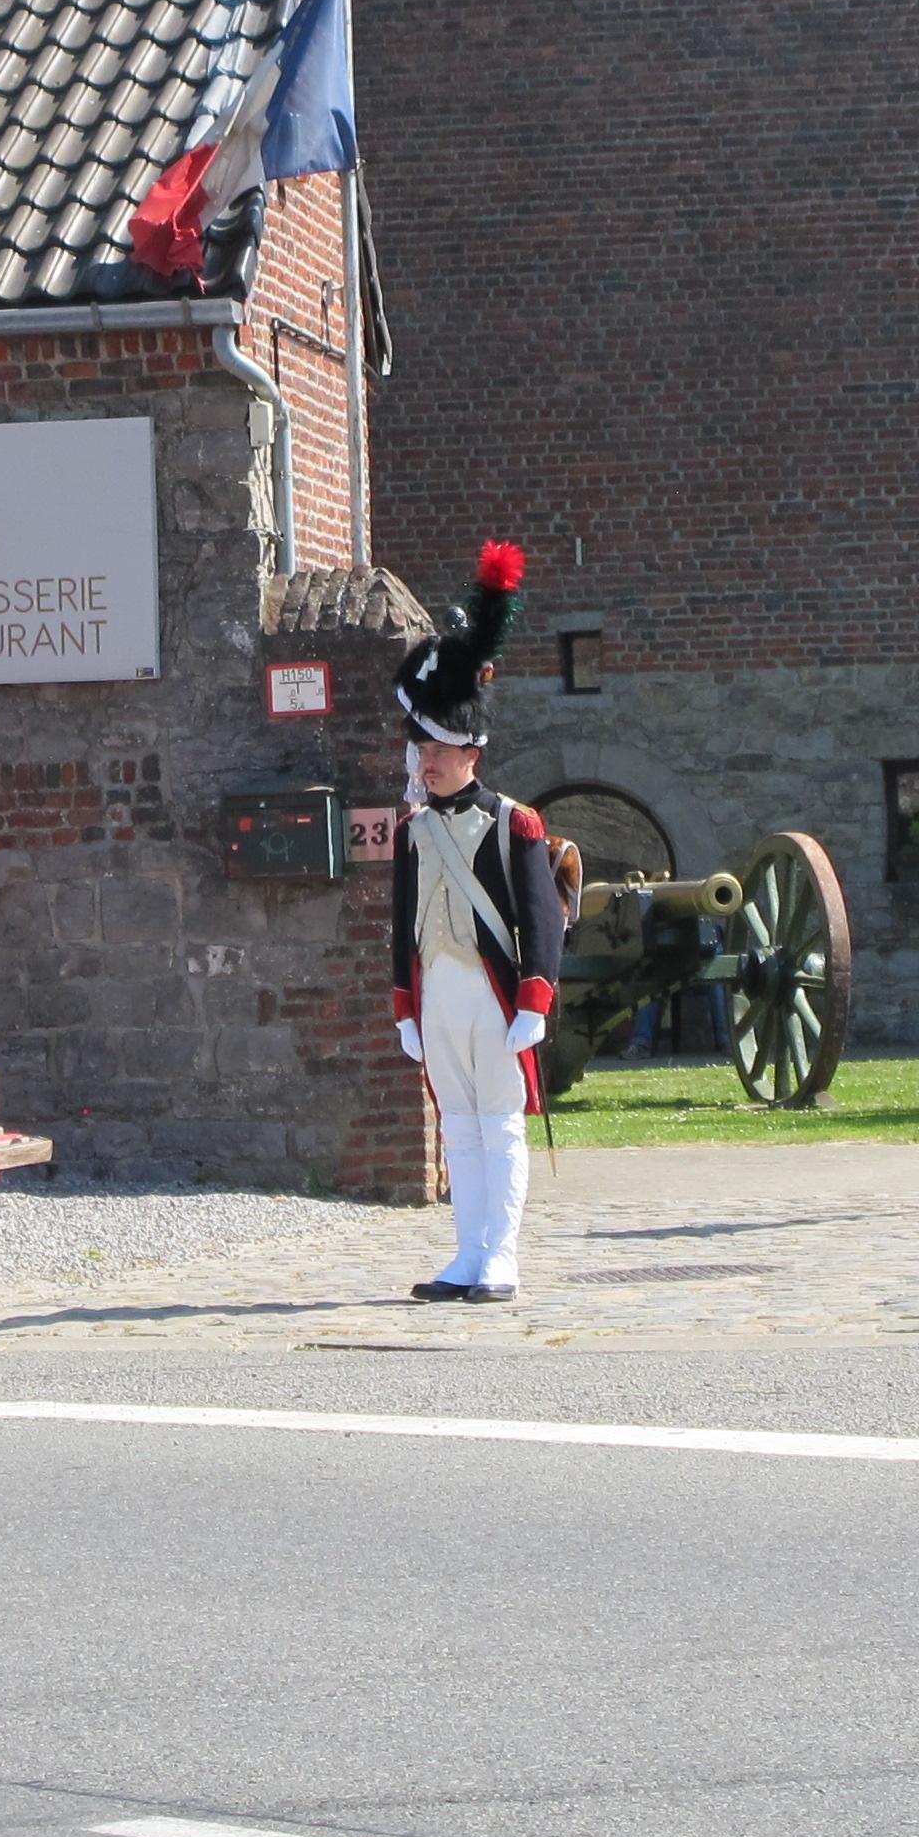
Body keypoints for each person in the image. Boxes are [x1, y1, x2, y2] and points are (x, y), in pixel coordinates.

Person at [389, 541, 566, 1302]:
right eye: (419, 746)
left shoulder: (514, 825)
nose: (422, 759)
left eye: (432, 747)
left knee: (498, 1126)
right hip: (439, 996)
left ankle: (502, 1258)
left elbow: (541, 918)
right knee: (457, 1130)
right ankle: (466, 1254)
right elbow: (403, 926)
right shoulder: (411, 828)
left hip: (495, 995)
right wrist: (404, 1006)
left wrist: (536, 999)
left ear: (468, 750)